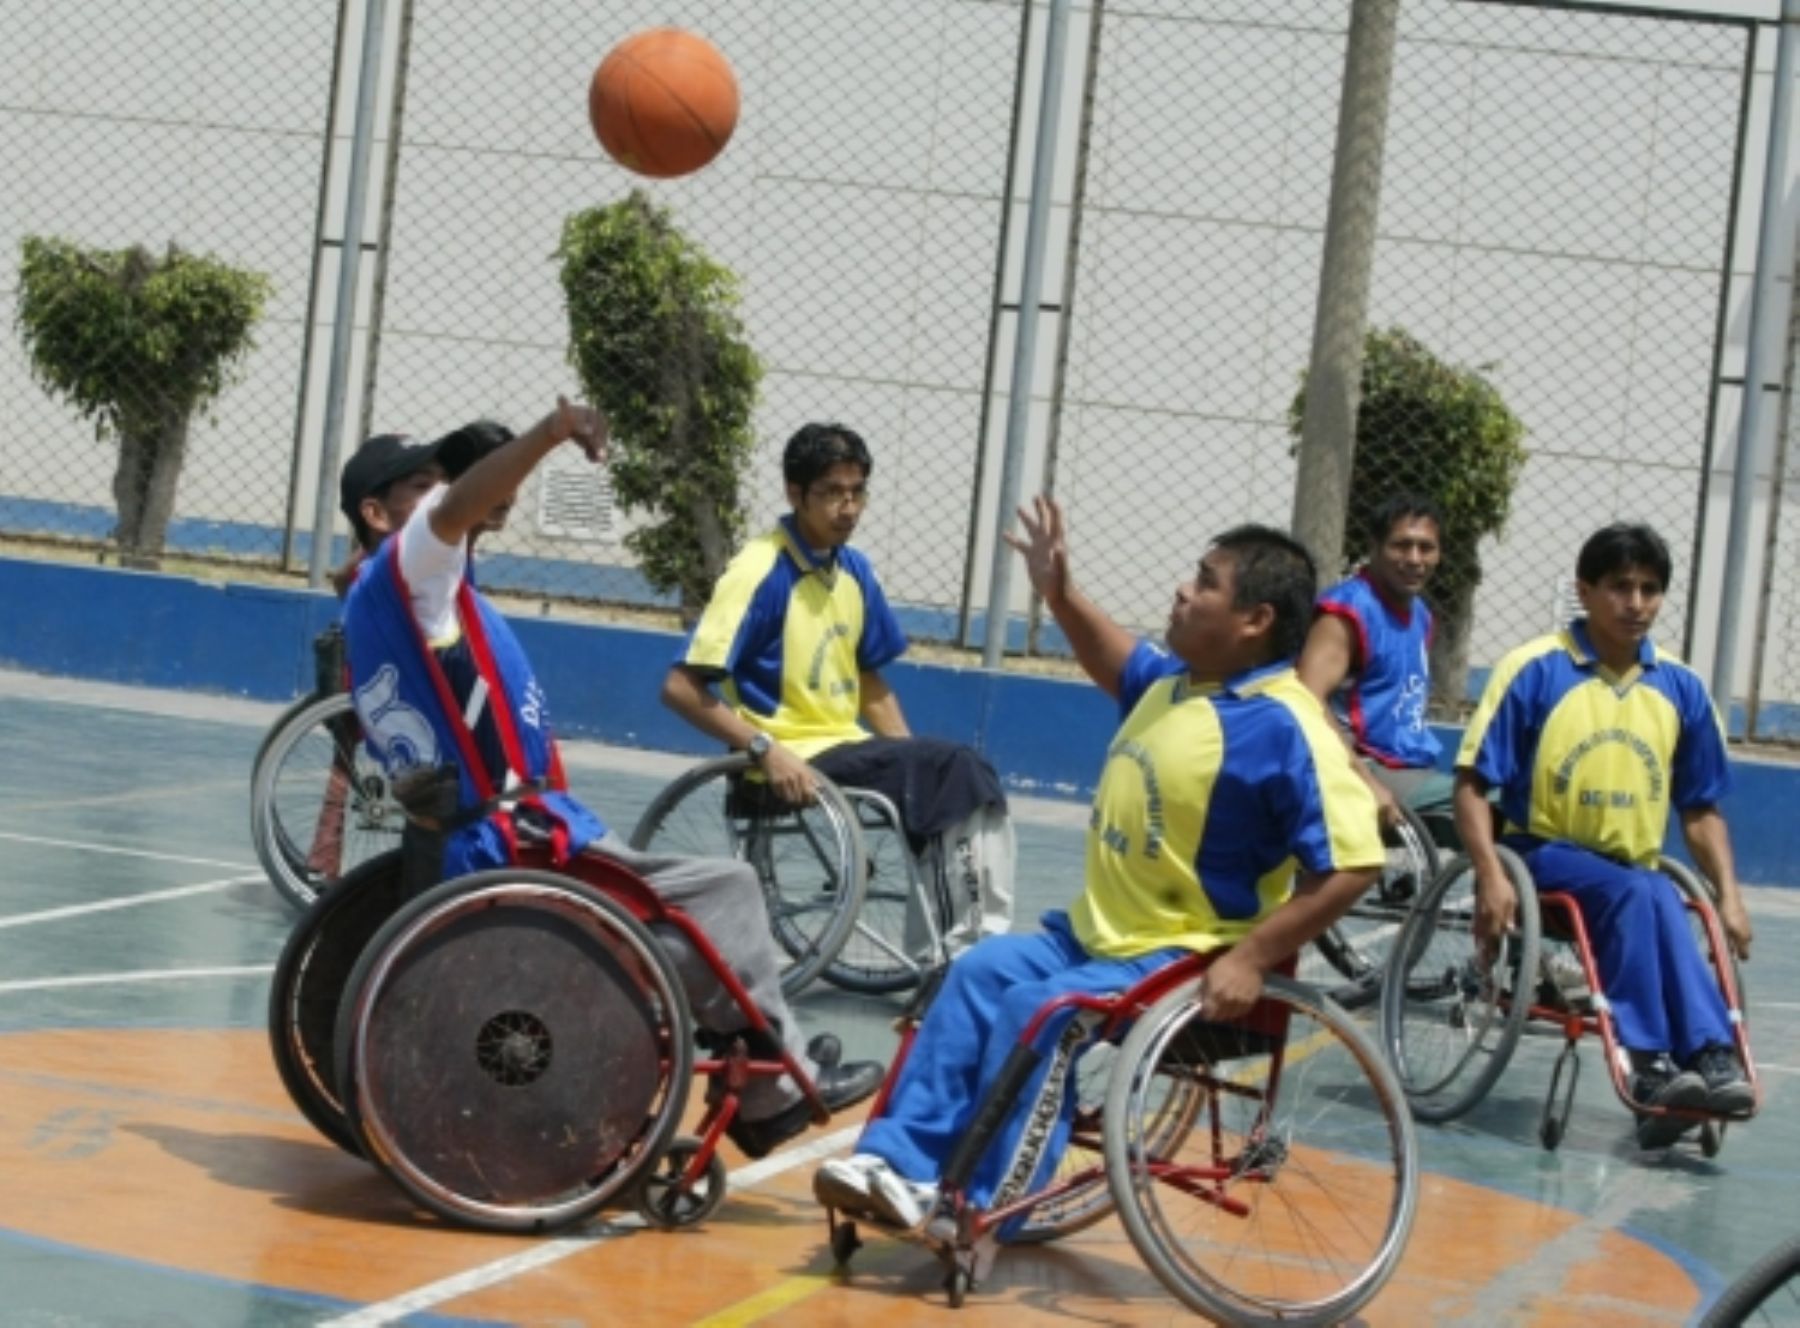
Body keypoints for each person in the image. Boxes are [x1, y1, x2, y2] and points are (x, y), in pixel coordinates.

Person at [811, 494, 1385, 1230]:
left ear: (1254, 621)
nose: (1183, 589)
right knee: (976, 973)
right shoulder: (1176, 686)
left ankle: (984, 1203)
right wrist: (1059, 592)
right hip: (1094, 935)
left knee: (1039, 1012)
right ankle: (896, 1164)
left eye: (1206, 582)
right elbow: (1110, 654)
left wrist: (1253, 956)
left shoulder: (1285, 724)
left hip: (1181, 955)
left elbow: (1354, 864)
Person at [337, 399, 882, 1158]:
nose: (440, 495)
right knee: (726, 893)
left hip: (496, 835)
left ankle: (764, 1058)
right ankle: (772, 1090)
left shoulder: (381, 595)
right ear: (377, 514)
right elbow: (456, 509)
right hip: (511, 843)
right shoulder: (410, 571)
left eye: (441, 479)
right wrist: (550, 435)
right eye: (420, 487)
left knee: (692, 902)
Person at [661, 422, 1014, 954]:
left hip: (842, 748)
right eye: (831, 493)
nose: (848, 508)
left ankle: (975, 946)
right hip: (787, 758)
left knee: (960, 774)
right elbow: (680, 688)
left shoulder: (854, 570)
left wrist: (906, 759)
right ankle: (957, 956)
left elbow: (870, 679)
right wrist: (764, 749)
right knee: (954, 768)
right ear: (794, 493)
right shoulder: (758, 571)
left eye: (857, 493)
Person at [1457, 522, 1755, 1150]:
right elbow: (1472, 787)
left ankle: (1697, 1065)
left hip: (1633, 876)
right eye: (1621, 587)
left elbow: (1700, 812)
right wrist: (1488, 873)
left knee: (1660, 895)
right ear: (1585, 591)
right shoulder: (1535, 670)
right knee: (1640, 893)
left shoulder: (1681, 687)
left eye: (1650, 589)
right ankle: (1661, 1061)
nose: (1637, 603)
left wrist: (1728, 896)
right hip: (1540, 856)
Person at [1297, 492, 1452, 833]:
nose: (1414, 559)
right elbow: (1305, 700)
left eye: (1426, 548)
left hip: (1406, 762)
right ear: (1375, 547)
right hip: (1361, 762)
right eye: (1402, 545)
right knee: (1483, 805)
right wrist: (1365, 780)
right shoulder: (1348, 611)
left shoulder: (1421, 616)